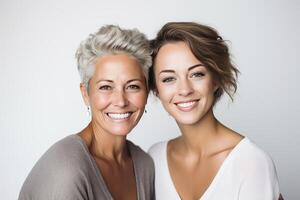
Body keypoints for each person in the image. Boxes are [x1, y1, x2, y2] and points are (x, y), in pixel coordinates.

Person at [19, 25, 155, 200]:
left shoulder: (145, 165)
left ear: (147, 92)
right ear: (86, 94)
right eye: (106, 87)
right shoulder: (67, 168)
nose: (120, 101)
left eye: (133, 86)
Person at [148, 22, 282, 200]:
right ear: (156, 89)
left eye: (197, 74)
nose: (184, 89)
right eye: (169, 78)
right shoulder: (155, 157)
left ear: (216, 79)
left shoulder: (251, 162)